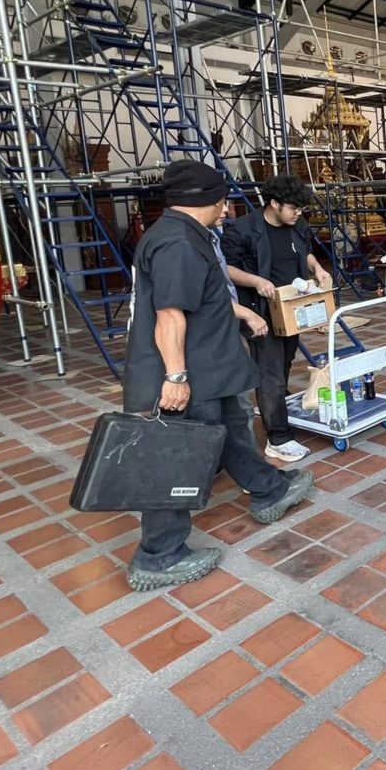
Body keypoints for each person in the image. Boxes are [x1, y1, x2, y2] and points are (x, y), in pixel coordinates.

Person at [121, 160, 313, 591]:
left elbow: (204, 297)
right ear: (204, 200)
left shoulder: (190, 235)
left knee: (231, 429)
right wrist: (175, 377)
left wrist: (240, 314)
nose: (226, 210)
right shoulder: (176, 243)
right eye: (223, 202)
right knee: (178, 458)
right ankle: (159, 555)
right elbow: (170, 315)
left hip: (210, 366)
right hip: (186, 372)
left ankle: (268, 488)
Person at [221, 175, 333, 463]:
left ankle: (273, 406)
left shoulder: (298, 225)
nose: (298, 213)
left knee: (284, 360)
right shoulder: (243, 229)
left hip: (290, 307)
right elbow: (226, 268)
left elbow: (305, 253)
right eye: (293, 208)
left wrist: (318, 269)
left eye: (301, 209)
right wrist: (257, 281)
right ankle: (278, 438)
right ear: (274, 203)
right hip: (259, 309)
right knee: (269, 368)